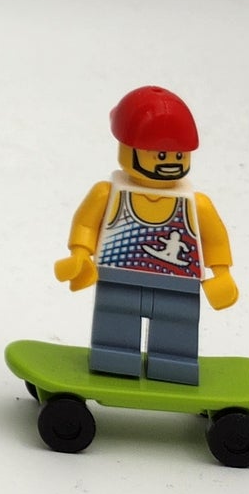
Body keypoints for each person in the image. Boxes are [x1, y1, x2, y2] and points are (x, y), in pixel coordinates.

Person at [53, 86, 238, 386]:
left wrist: (222, 273)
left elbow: (214, 238)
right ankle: (113, 360)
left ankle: (173, 367)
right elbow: (86, 224)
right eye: (160, 154)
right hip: (118, 278)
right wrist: (80, 254)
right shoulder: (108, 194)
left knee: (176, 330)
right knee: (115, 324)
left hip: (179, 284)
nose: (169, 162)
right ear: (127, 148)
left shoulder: (195, 204)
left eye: (178, 154)